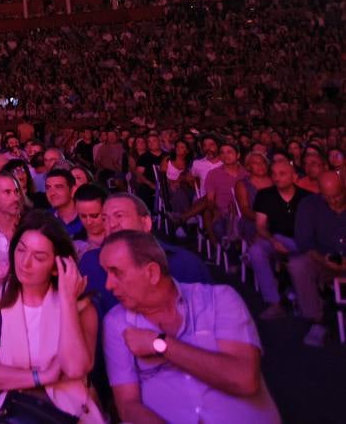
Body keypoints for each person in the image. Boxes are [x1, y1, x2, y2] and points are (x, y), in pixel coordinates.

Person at [100, 230, 280, 423]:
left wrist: (160, 344)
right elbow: (128, 407)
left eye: (116, 272)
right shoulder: (116, 323)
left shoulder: (218, 300)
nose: (108, 285)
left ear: (151, 273)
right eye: (106, 273)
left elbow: (244, 380)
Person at [0, 211, 105, 423]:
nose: (25, 262)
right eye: (21, 250)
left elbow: (75, 368)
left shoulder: (82, 307)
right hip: (5, 407)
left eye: (39, 257)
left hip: (65, 410)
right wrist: (42, 377)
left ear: (57, 267)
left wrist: (68, 301)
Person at [79, 192, 210, 316]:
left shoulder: (183, 263)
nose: (111, 224)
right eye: (104, 219)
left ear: (146, 223)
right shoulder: (91, 263)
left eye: (119, 216)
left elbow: (206, 319)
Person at [289, 170, 346, 347]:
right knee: (298, 265)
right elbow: (304, 242)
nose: (334, 200)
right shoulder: (309, 205)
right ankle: (316, 319)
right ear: (320, 192)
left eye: (337, 195)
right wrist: (323, 260)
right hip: (323, 259)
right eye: (328, 197)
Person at [249, 158, 308, 317]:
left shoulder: (306, 198)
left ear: (294, 176)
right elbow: (260, 226)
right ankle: (274, 302)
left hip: (301, 241)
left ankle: (304, 301)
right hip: (276, 238)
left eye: (282, 174)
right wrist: (273, 241)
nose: (277, 177)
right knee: (256, 251)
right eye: (274, 174)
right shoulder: (265, 195)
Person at [45, 168, 84, 239]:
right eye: (48, 188)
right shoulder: (44, 219)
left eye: (58, 187)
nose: (52, 193)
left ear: (73, 190)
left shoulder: (87, 216)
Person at [71, 183, 108, 254]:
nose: (89, 222)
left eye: (94, 215)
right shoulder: (73, 243)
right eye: (83, 216)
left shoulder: (122, 240)